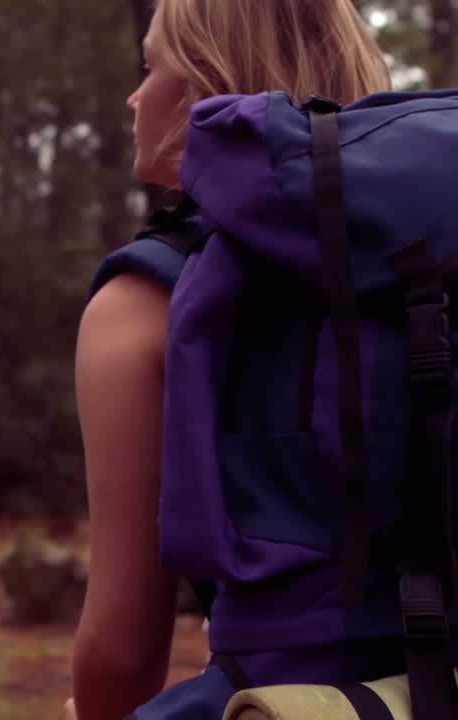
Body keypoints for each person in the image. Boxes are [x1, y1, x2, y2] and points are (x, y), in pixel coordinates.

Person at [69, 1, 395, 718]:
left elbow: (124, 649)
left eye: (150, 67)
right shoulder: (428, 261)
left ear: (203, 89)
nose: (133, 95)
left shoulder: (141, 303)